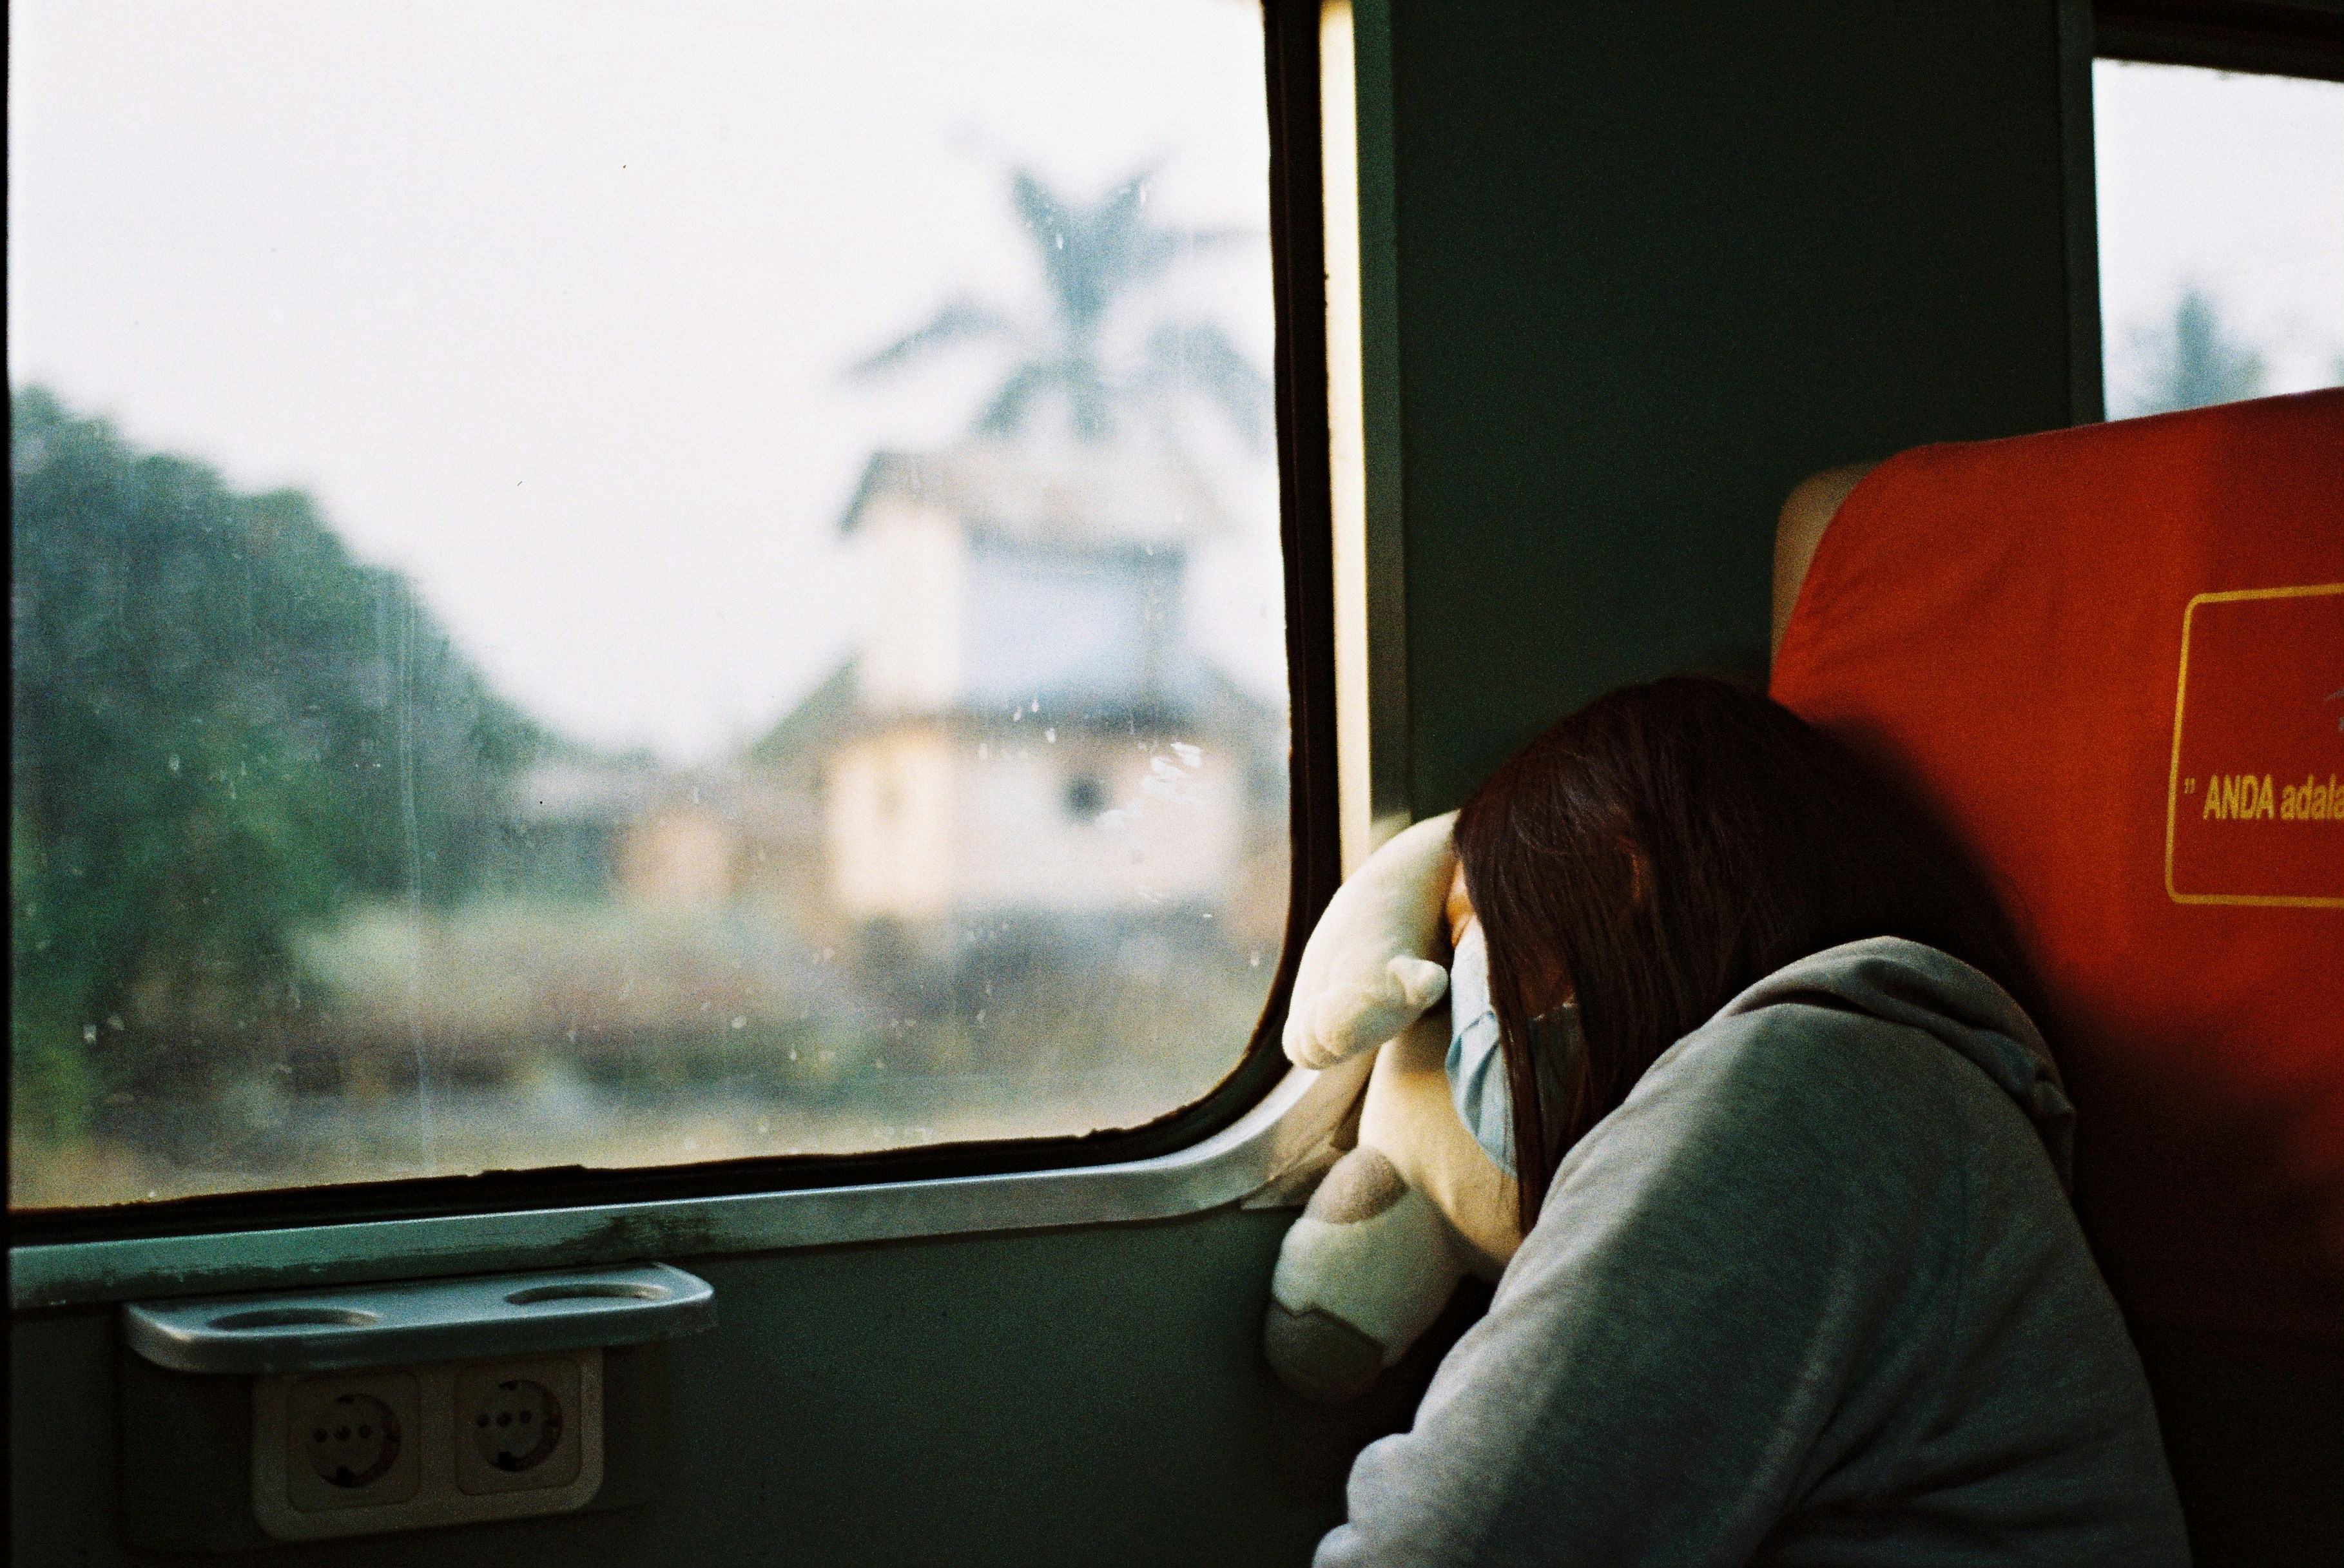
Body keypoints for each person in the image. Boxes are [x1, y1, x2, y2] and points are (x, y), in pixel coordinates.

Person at [1316, 676, 2189, 1567]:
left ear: (1623, 873)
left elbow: (1443, 1546)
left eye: (1475, 933)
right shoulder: (1874, 1090)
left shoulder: (1804, 1092)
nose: (1466, 993)